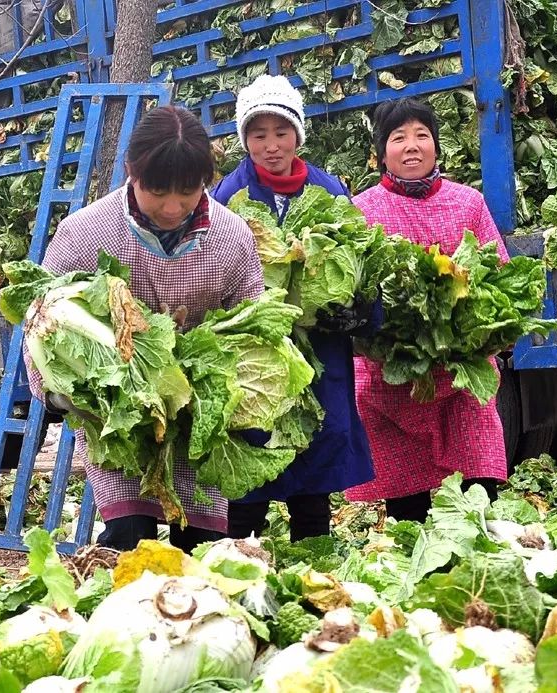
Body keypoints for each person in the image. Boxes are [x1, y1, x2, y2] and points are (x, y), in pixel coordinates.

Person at [26, 105, 264, 552]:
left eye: (188, 191)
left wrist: (229, 391)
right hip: (117, 423)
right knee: (126, 541)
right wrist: (59, 394)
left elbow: (252, 325)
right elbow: (39, 318)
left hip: (199, 421)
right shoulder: (84, 233)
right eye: (158, 191)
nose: (173, 208)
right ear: (131, 172)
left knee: (205, 547)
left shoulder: (233, 237)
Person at [211, 74, 376, 541]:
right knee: (249, 468)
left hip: (319, 352)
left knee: (314, 476)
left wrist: (359, 310)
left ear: (298, 135)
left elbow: (359, 260)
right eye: (258, 135)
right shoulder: (227, 197)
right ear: (244, 140)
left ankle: (315, 570)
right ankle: (238, 566)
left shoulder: (330, 191)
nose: (270, 145)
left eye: (281, 132)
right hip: (256, 352)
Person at [344, 97, 508, 522]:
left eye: (422, 136)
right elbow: (351, 291)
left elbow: (501, 274)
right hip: (395, 373)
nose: (412, 146)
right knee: (407, 498)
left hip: (461, 367)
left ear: (437, 146)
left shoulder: (468, 202)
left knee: (479, 484)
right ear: (382, 154)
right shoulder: (362, 211)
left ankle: (481, 557)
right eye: (399, 138)